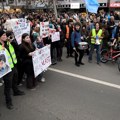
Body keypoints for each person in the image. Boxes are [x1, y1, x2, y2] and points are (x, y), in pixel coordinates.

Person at [0, 30, 25, 110]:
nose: (5, 36)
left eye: (5, 35)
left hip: (13, 65)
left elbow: (15, 50)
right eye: (3, 35)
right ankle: (8, 102)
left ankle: (16, 91)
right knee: (8, 86)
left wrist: (11, 41)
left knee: (15, 79)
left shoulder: (8, 43)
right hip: (5, 69)